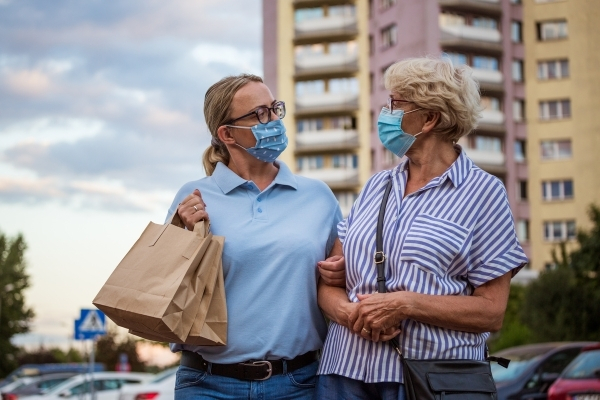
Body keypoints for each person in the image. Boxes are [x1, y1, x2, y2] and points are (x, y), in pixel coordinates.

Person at [316, 57, 529, 399]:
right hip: (345, 373)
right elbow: (328, 282)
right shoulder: (376, 185)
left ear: (429, 118)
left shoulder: (484, 193)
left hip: (433, 379)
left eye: (396, 104)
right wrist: (347, 312)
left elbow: (491, 312)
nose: (385, 113)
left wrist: (405, 304)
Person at [165, 74, 344, 400]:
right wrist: (182, 233)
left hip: (297, 384)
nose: (274, 120)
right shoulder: (194, 197)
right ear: (227, 134)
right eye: (260, 114)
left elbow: (341, 280)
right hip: (206, 385)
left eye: (275, 109)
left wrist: (341, 272)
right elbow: (167, 292)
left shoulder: (318, 196)